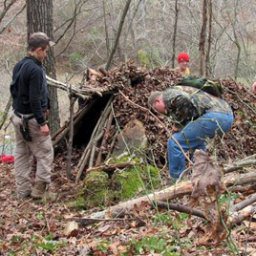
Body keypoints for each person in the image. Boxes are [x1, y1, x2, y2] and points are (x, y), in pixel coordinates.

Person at [148, 85, 234, 179]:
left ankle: (177, 180)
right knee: (198, 145)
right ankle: (201, 177)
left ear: (157, 101)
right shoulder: (179, 91)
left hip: (215, 116)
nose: (159, 113)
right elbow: (191, 109)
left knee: (174, 143)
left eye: (156, 109)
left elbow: (183, 100)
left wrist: (178, 125)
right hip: (227, 116)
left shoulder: (168, 94)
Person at [10, 32, 55, 199]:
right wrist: (42, 122)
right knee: (45, 153)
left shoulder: (19, 65)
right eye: (45, 51)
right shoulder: (35, 70)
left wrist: (47, 104)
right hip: (31, 119)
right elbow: (34, 98)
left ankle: (22, 191)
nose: (46, 54)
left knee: (22, 153)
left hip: (17, 117)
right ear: (37, 50)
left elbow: (16, 91)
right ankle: (39, 192)